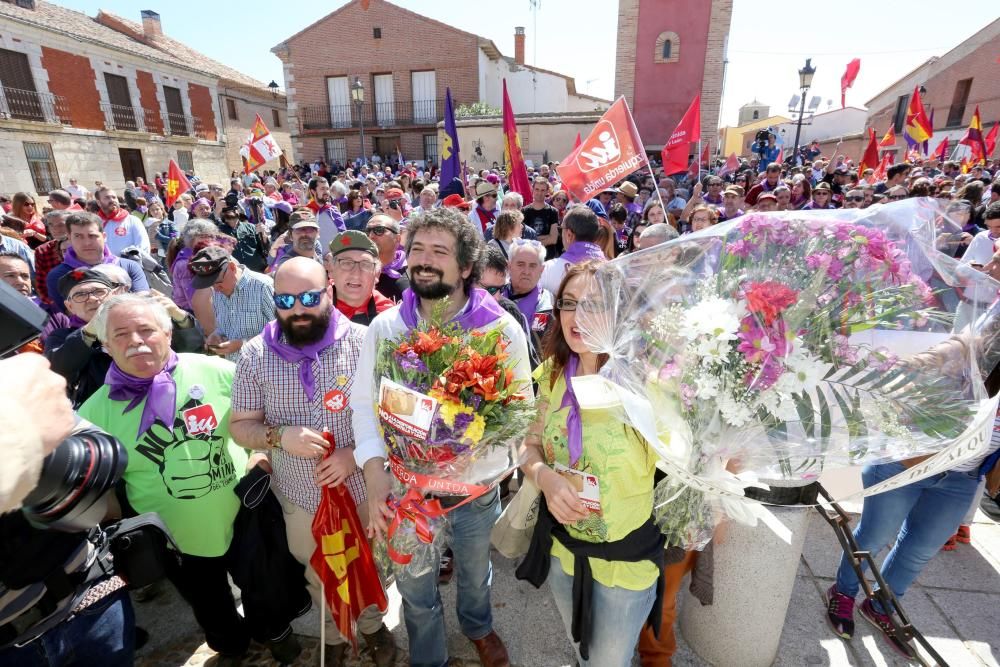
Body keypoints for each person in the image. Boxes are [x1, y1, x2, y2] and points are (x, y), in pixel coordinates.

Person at [352, 208, 531, 667]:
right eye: (416, 250)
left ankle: (477, 626)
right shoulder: (386, 328)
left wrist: (465, 460)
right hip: (406, 492)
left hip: (473, 492)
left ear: (466, 266)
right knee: (414, 584)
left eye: (439, 251)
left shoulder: (499, 330)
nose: (424, 260)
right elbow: (364, 406)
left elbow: (519, 414)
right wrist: (376, 477)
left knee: (474, 575)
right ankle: (428, 655)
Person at [76, 295, 285, 665]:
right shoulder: (94, 413)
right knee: (210, 606)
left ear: (167, 332)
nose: (136, 341)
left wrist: (262, 453)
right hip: (174, 539)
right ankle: (232, 646)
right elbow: (98, 488)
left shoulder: (214, 370)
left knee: (264, 588)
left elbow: (260, 415)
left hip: (243, 511)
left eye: (146, 330)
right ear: (106, 346)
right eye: (121, 334)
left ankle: (276, 635)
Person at [229, 257, 397, 666]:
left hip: (360, 488)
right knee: (319, 568)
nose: (298, 309)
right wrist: (277, 437)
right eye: (286, 299)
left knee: (371, 561)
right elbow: (240, 425)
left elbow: (394, 417)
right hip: (300, 496)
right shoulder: (254, 355)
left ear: (329, 291)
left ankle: (373, 626)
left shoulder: (365, 342)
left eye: (308, 296)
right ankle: (333, 633)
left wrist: (354, 455)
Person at [516, 261, 665, 667]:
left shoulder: (648, 384)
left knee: (608, 662)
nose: (577, 317)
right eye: (568, 303)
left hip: (625, 561)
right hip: (563, 550)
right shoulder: (550, 374)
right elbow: (528, 446)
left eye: (594, 305)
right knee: (581, 651)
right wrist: (543, 476)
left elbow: (692, 459)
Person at [185, 246, 276, 363]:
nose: (216, 289)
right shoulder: (217, 290)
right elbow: (224, 326)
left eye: (218, 282)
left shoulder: (263, 286)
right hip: (234, 369)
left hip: (264, 367)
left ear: (232, 267)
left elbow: (281, 332)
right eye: (211, 285)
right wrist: (216, 335)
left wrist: (243, 344)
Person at [46, 212, 150, 314]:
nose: (87, 243)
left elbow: (144, 303)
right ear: (69, 238)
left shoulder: (129, 266)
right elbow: (68, 314)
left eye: (92, 236)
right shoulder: (57, 276)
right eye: (78, 236)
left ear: (104, 236)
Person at [328, 230, 395, 325]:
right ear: (331, 270)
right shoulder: (315, 310)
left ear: (377, 274)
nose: (356, 273)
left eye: (365, 265)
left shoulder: (390, 317)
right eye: (347, 263)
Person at [540, 206, 607, 295]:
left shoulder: (547, 270)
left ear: (569, 235)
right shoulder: (610, 269)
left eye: (561, 229)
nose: (561, 234)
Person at [95, 187, 150, 256]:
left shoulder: (133, 220)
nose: (112, 200)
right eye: (107, 198)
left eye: (114, 197)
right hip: (105, 265)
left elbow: (143, 246)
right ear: (98, 202)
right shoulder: (95, 224)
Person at [366, 214, 409, 301]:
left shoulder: (413, 271)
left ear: (397, 239)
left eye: (379, 230)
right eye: (368, 231)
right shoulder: (357, 270)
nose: (371, 236)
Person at [33, 210, 71, 306]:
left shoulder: (82, 245)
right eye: (51, 225)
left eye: (61, 225)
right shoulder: (42, 251)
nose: (55, 229)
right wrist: (55, 307)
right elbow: (41, 285)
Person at [216, 206, 269, 273]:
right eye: (226, 210)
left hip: (258, 270)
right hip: (236, 273)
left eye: (234, 209)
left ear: (239, 211)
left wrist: (264, 235)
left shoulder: (251, 227)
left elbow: (265, 248)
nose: (230, 211)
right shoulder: (218, 231)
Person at [522, 177, 560, 259]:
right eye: (537, 189)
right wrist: (546, 237)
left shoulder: (553, 211)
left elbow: (553, 239)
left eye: (543, 190)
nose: (539, 193)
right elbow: (523, 238)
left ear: (547, 191)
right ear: (533, 189)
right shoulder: (524, 211)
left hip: (548, 257)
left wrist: (533, 241)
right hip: (530, 257)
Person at [306, 177, 346, 249]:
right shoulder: (306, 213)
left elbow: (343, 234)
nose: (326, 192)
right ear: (313, 191)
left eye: (327, 189)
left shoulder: (333, 211)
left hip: (335, 256)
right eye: (322, 189)